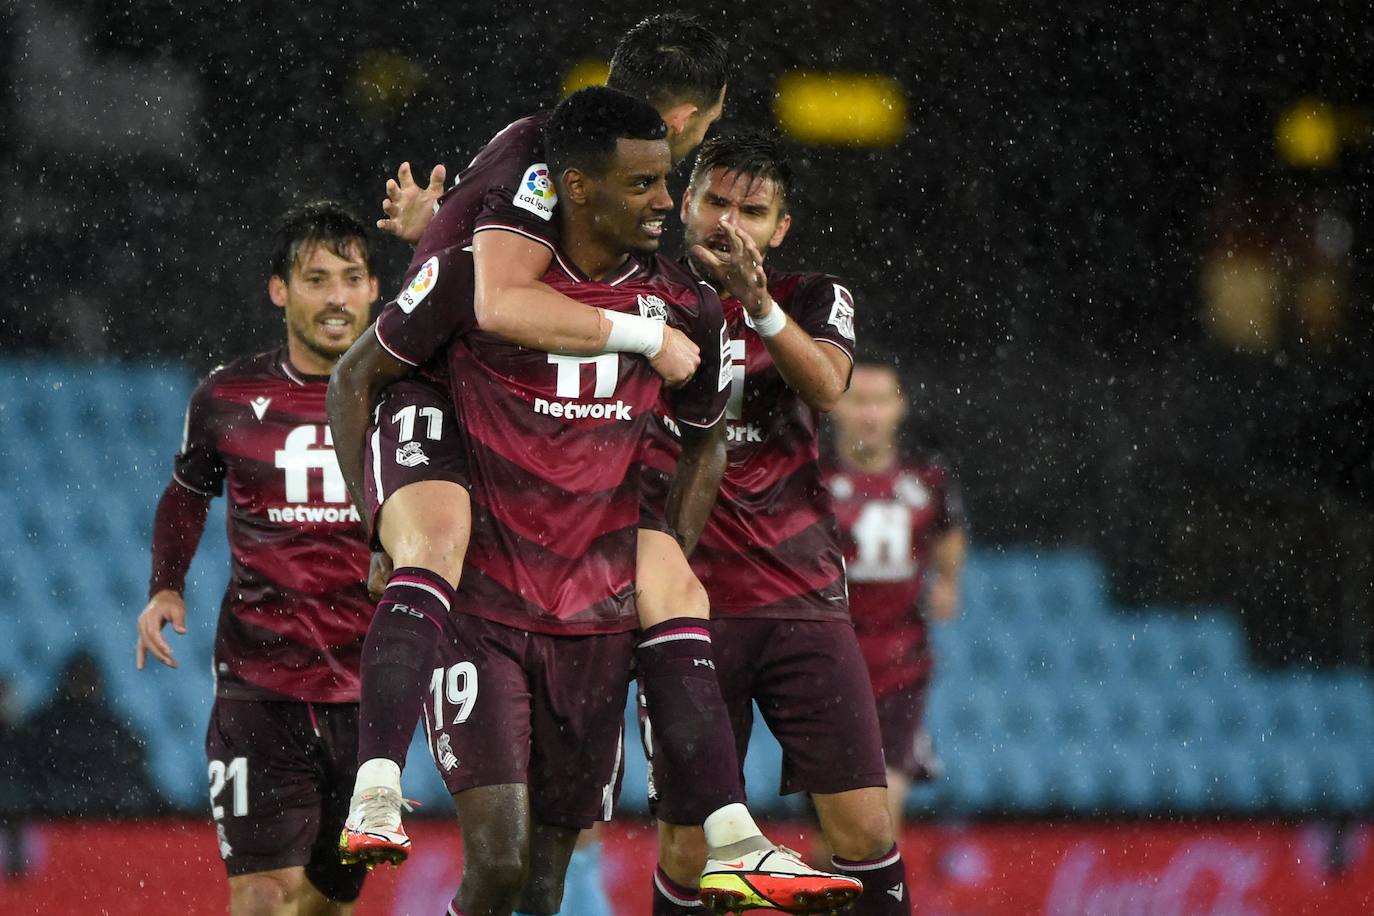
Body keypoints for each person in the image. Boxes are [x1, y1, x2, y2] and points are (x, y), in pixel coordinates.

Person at [331, 19, 854, 913]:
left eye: (666, 181)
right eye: (652, 184)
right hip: (470, 495)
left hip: (581, 575)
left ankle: (735, 837)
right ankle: (375, 781)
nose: (668, 198)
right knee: (495, 864)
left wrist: (663, 547)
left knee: (670, 593)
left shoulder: (685, 298)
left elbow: (707, 441)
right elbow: (479, 305)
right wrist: (371, 518)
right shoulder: (517, 215)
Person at [639, 131, 912, 916]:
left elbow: (828, 385)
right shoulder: (634, 297)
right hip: (683, 609)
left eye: (752, 210)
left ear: (780, 228)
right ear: (685, 202)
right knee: (690, 851)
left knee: (863, 828)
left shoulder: (812, 296)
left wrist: (757, 306)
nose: (730, 222)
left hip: (801, 599)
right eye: (716, 202)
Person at [136, 202, 379, 916]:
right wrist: (165, 589)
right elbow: (186, 494)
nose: (336, 296)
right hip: (257, 687)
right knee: (261, 893)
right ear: (280, 290)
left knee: (327, 900)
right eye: (316, 278)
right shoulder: (228, 396)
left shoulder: (409, 396)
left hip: (373, 692)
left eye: (352, 277)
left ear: (373, 290)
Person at [823, 362, 969, 849]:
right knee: (842, 832)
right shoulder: (812, 480)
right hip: (826, 669)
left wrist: (948, 581)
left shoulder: (926, 478)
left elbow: (948, 535)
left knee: (881, 820)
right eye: (858, 400)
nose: (869, 413)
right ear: (836, 405)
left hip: (901, 666)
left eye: (879, 400)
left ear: (900, 406)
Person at [20, 651, 161, 818]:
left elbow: (137, 786)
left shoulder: (116, 732)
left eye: (88, 679)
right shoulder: (43, 730)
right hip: (58, 823)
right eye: (79, 678)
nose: (83, 686)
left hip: (102, 825)